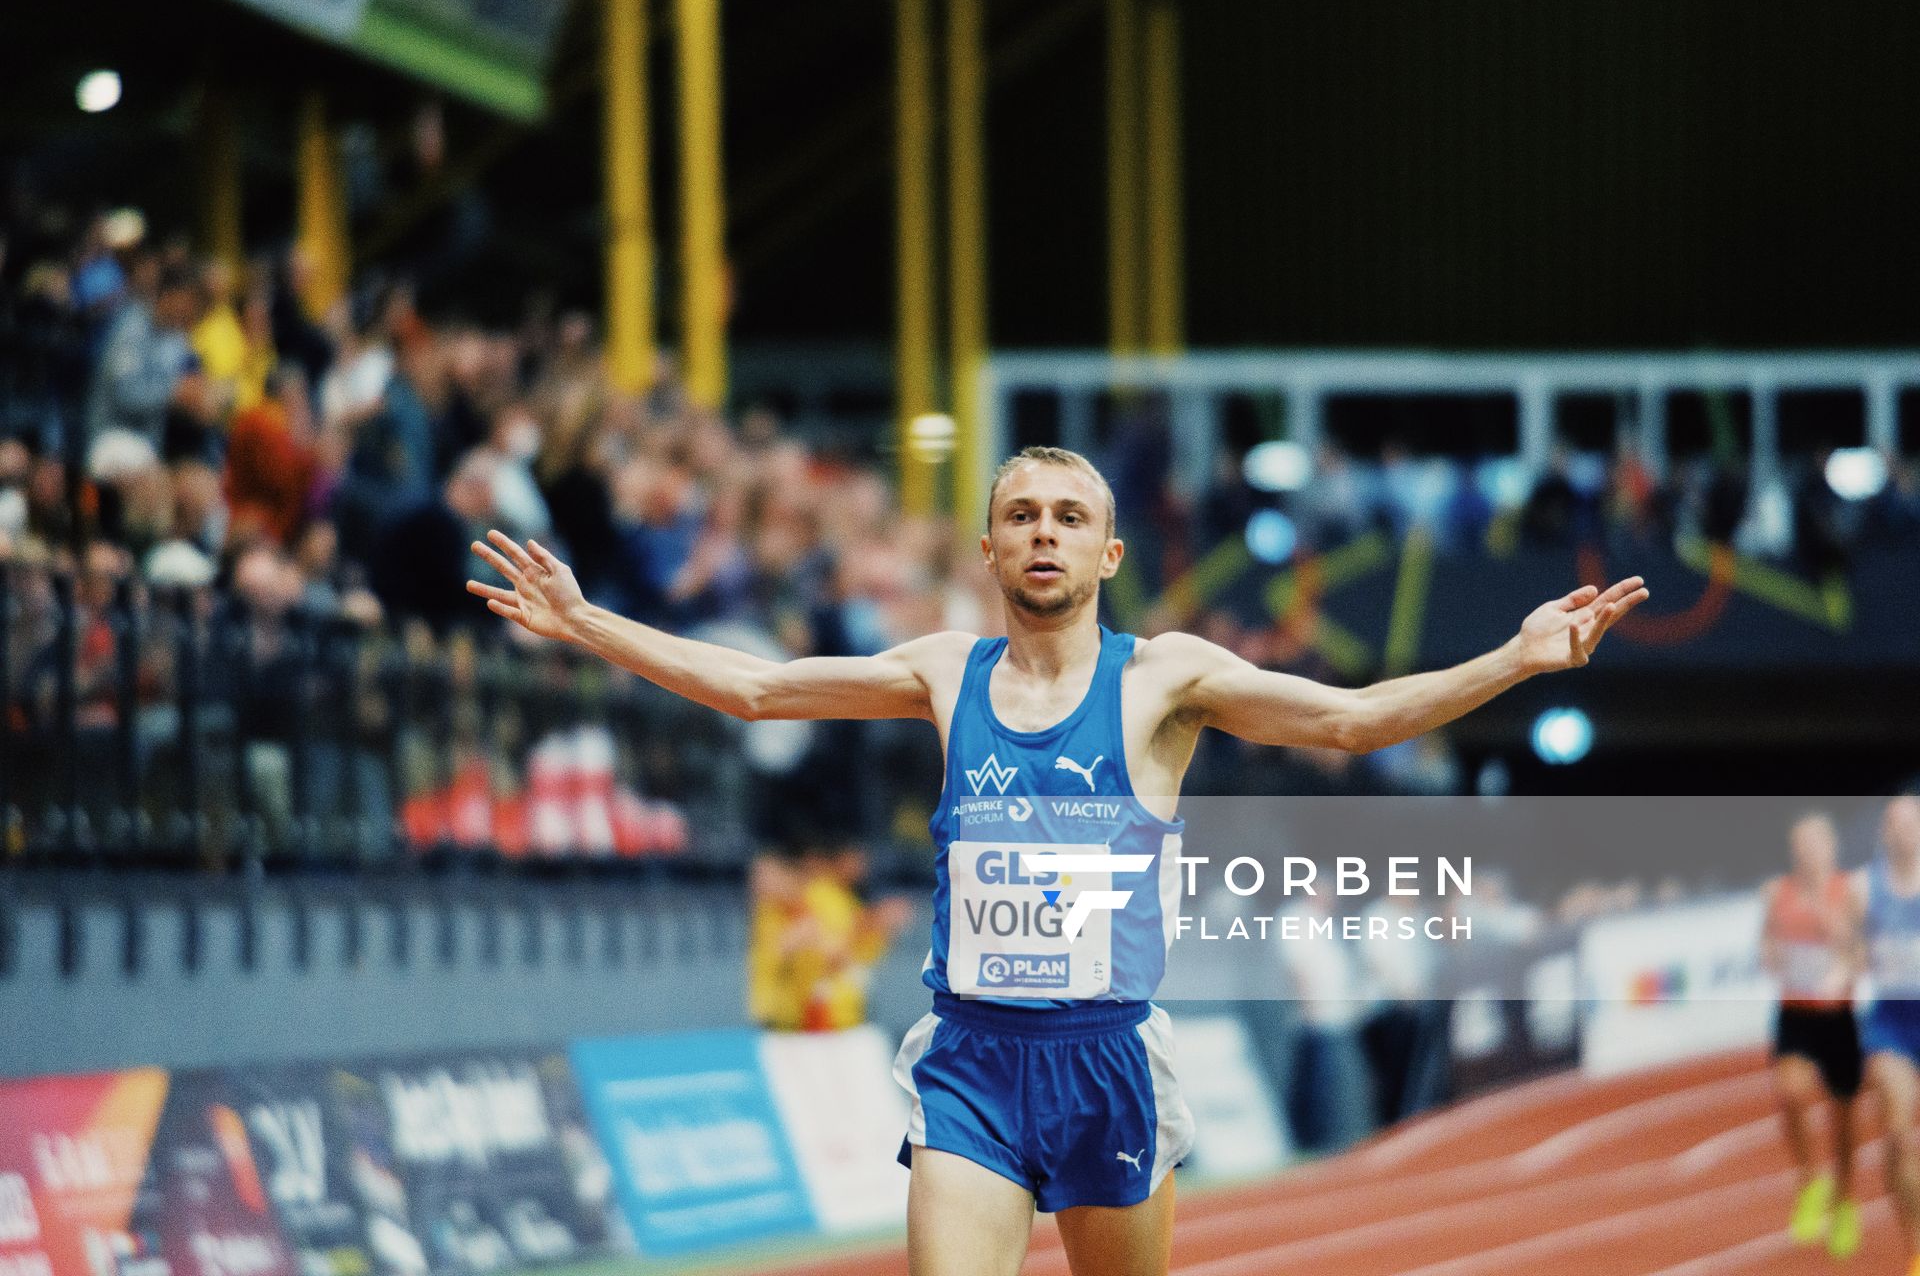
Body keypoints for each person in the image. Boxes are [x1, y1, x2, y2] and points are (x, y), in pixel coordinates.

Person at [467, 445, 1647, 1276]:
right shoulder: (944, 671)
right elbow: (762, 689)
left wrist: (1514, 657)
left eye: (1068, 516)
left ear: (1110, 550)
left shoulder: (1166, 678)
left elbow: (1347, 720)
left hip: (1107, 1059)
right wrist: (588, 623)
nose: (1044, 532)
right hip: (973, 1058)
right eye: (1022, 514)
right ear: (987, 547)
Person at [1760, 811, 1863, 1258]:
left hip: (1839, 1017)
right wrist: (1772, 955)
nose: (1809, 853)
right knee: (1791, 1092)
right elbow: (1766, 945)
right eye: (1801, 846)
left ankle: (1844, 1200)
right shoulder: (1776, 893)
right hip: (1796, 1013)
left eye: (1816, 845)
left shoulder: (1848, 892)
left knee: (1844, 1120)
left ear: (1830, 848)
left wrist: (1822, 908)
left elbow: (1857, 949)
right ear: (1793, 851)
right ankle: (1811, 1180)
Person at [1856, 795, 1920, 1276]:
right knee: (1897, 1138)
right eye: (1896, 825)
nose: (1905, 833)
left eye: (1913, 824)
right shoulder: (1865, 888)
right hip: (1891, 1025)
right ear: (1885, 833)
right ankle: (1917, 1251)